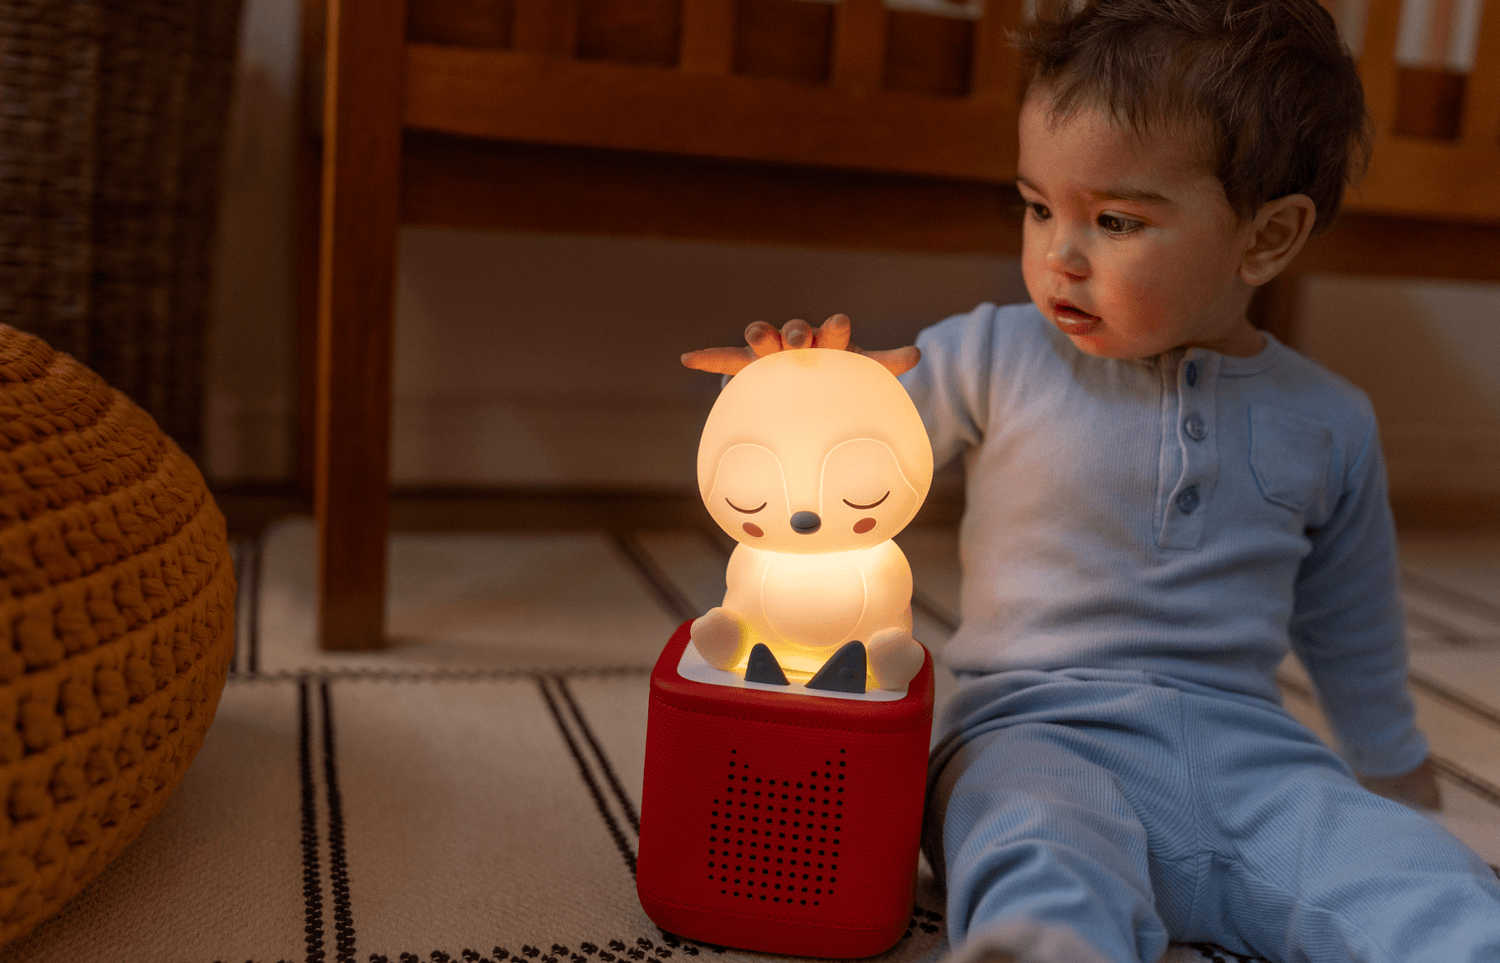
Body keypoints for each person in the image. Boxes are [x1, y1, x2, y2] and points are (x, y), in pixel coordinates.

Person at [680, 0, 1500, 959]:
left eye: (1114, 220)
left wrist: (1394, 772)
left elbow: (1351, 620)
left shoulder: (1330, 419)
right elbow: (853, 426)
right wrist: (798, 385)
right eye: (1038, 208)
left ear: (1267, 238)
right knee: (1029, 838)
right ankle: (1045, 943)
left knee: (1412, 876)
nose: (1058, 256)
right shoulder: (994, 352)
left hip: (1248, 755)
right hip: (1029, 727)